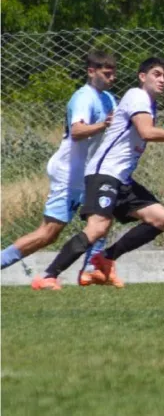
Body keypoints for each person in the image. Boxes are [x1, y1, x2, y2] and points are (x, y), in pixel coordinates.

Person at [31, 58, 164, 290]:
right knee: (97, 228)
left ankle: (104, 259)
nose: (162, 80)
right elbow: (146, 132)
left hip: (121, 179)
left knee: (159, 219)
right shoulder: (137, 96)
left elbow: (138, 133)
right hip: (104, 174)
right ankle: (48, 276)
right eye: (157, 74)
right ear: (142, 77)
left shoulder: (147, 103)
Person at [1, 51, 117, 285]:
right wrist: (103, 124)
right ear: (91, 72)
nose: (111, 78)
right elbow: (77, 132)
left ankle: (91, 271)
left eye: (113, 73)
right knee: (48, 233)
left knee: (103, 217)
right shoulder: (84, 97)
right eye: (106, 73)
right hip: (69, 174)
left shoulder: (109, 99)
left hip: (89, 174)